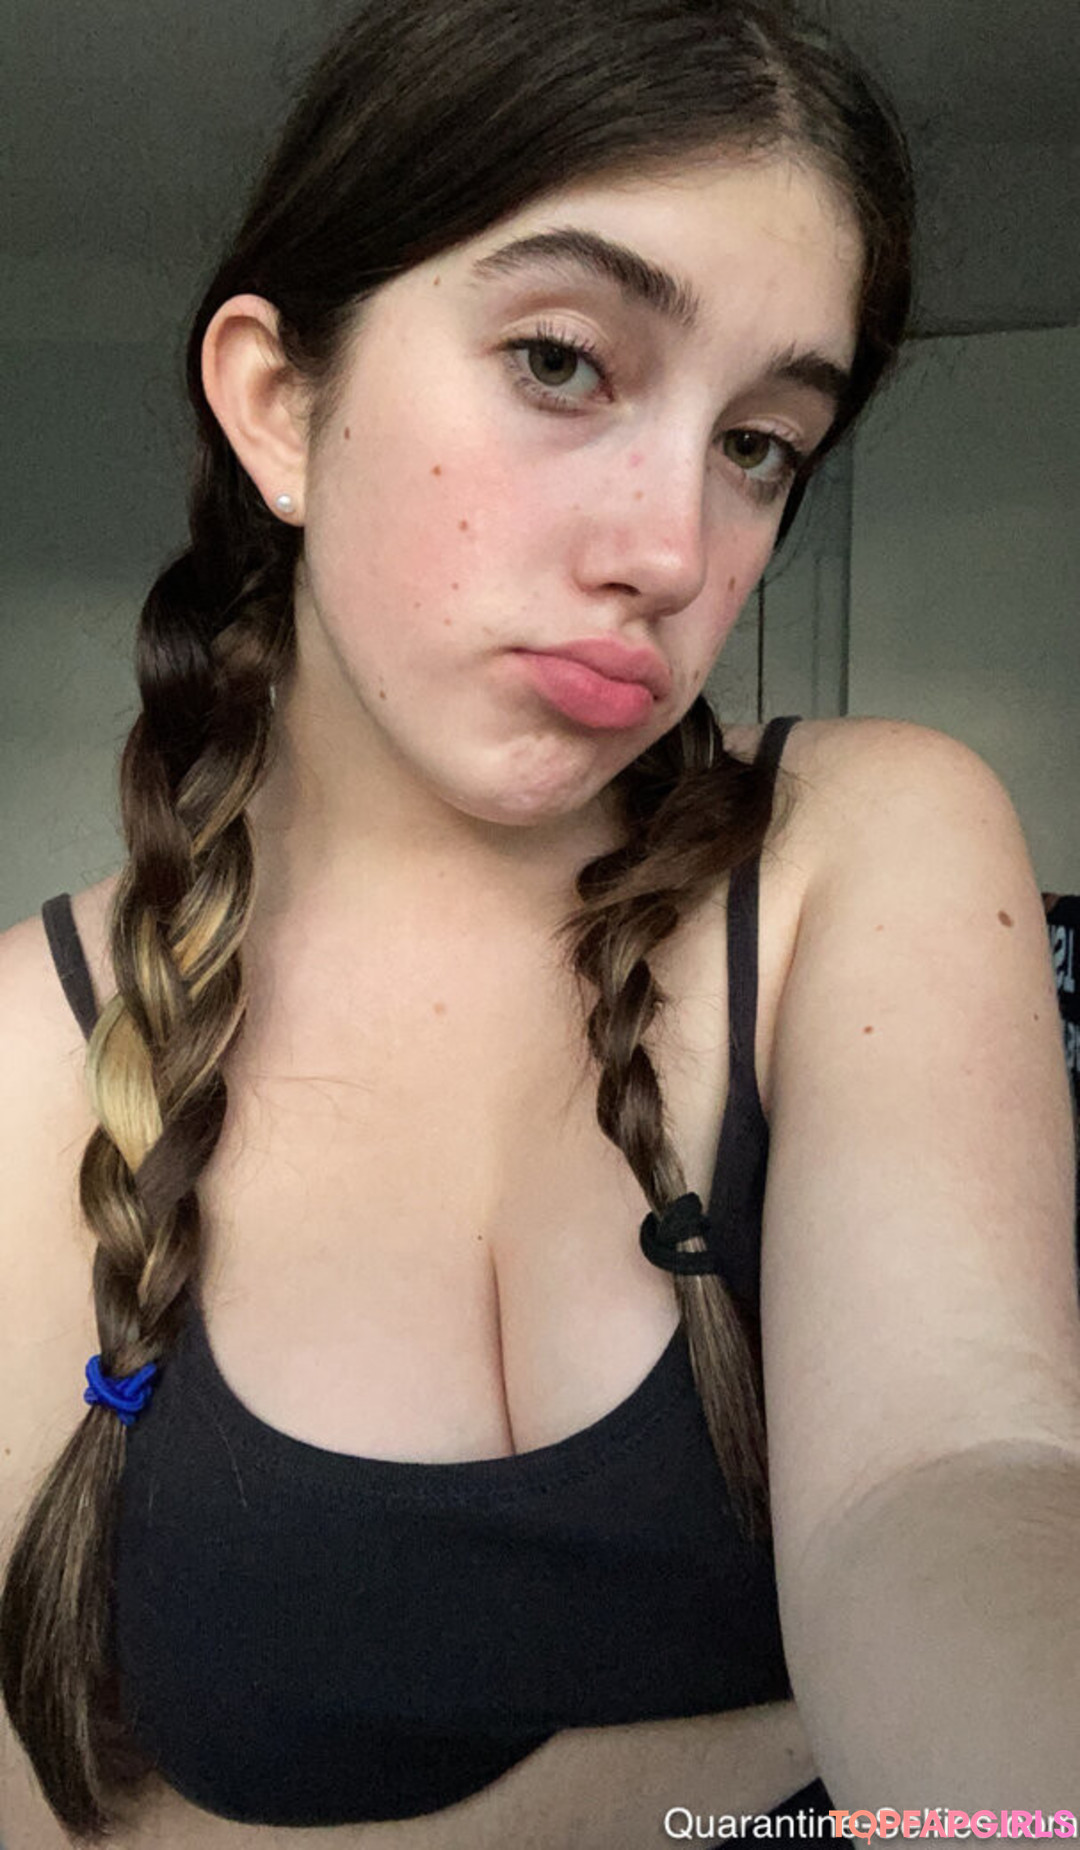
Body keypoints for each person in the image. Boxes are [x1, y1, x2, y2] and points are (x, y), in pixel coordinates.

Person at [2, 0, 1079, 1845]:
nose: (673, 550)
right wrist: (737, 1771)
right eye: (564, 362)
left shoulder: (866, 846)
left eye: (761, 444)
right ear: (279, 401)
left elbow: (954, 1476)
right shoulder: (31, 1053)